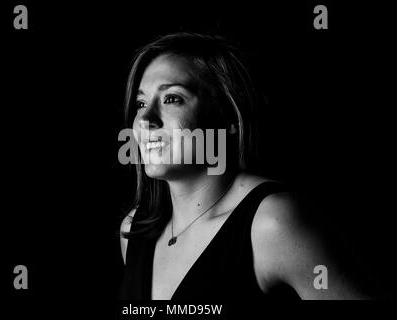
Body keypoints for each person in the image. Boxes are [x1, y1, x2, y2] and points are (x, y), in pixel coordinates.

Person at [118, 32, 377, 300]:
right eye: (140, 103)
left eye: (172, 98)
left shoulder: (273, 223)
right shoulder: (134, 231)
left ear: (229, 115)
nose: (146, 120)